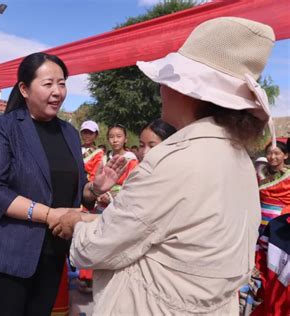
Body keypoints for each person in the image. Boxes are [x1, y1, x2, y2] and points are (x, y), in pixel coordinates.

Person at [54, 17, 277, 314]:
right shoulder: (237, 159)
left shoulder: (174, 161)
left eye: (168, 80)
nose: (161, 88)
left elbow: (99, 247)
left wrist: (73, 225)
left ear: (188, 92)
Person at [0, 52, 125, 316]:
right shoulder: (4, 127)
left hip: (53, 252)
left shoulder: (67, 132)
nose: (57, 92)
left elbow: (75, 192)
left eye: (62, 83)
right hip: (9, 253)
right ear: (24, 89)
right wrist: (48, 214)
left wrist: (96, 188)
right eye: (48, 84)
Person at [251, 140, 289, 315]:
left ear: (286, 155)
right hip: (259, 228)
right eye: (269, 153)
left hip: (280, 234)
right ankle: (258, 296)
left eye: (277, 153)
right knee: (260, 266)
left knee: (275, 270)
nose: (272, 157)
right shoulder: (258, 174)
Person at [95, 124, 140, 213]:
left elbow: (132, 186)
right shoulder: (104, 158)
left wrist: (110, 196)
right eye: (111, 137)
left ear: (125, 139)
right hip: (101, 207)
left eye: (119, 136)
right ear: (108, 139)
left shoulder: (131, 160)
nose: (115, 140)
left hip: (120, 208)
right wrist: (98, 193)